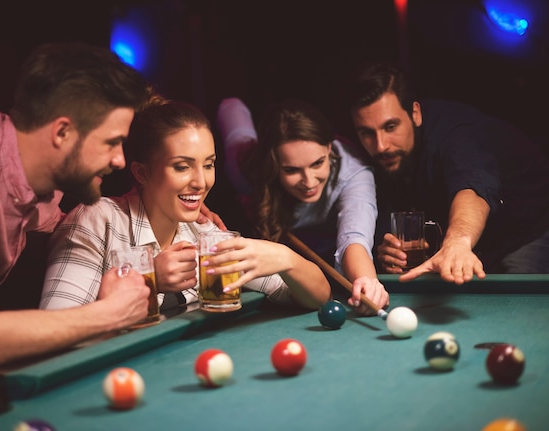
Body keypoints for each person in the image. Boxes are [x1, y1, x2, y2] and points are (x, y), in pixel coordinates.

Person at [0, 42, 157, 388]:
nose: (120, 159)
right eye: (112, 142)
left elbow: (70, 225)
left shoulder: (44, 181)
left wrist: (163, 205)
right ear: (62, 132)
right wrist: (109, 314)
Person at [40, 100, 331, 313]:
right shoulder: (96, 220)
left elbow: (317, 297)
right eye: (182, 167)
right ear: (142, 173)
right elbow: (55, 328)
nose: (201, 182)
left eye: (209, 165)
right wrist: (149, 280)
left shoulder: (203, 233)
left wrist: (284, 257)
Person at [346, 62, 549, 283]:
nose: (381, 145)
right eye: (366, 132)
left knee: (515, 305)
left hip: (528, 231)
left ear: (415, 113)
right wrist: (388, 251)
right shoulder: (375, 158)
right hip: (476, 245)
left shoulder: (457, 134)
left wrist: (458, 241)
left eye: (390, 127)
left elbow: (472, 187)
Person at [216, 98, 389, 316]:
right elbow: (229, 107)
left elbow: (354, 237)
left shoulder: (354, 174)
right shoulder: (245, 166)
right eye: (291, 170)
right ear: (273, 164)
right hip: (279, 264)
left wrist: (367, 280)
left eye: (318, 163)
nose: (308, 182)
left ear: (329, 147)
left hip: (320, 267)